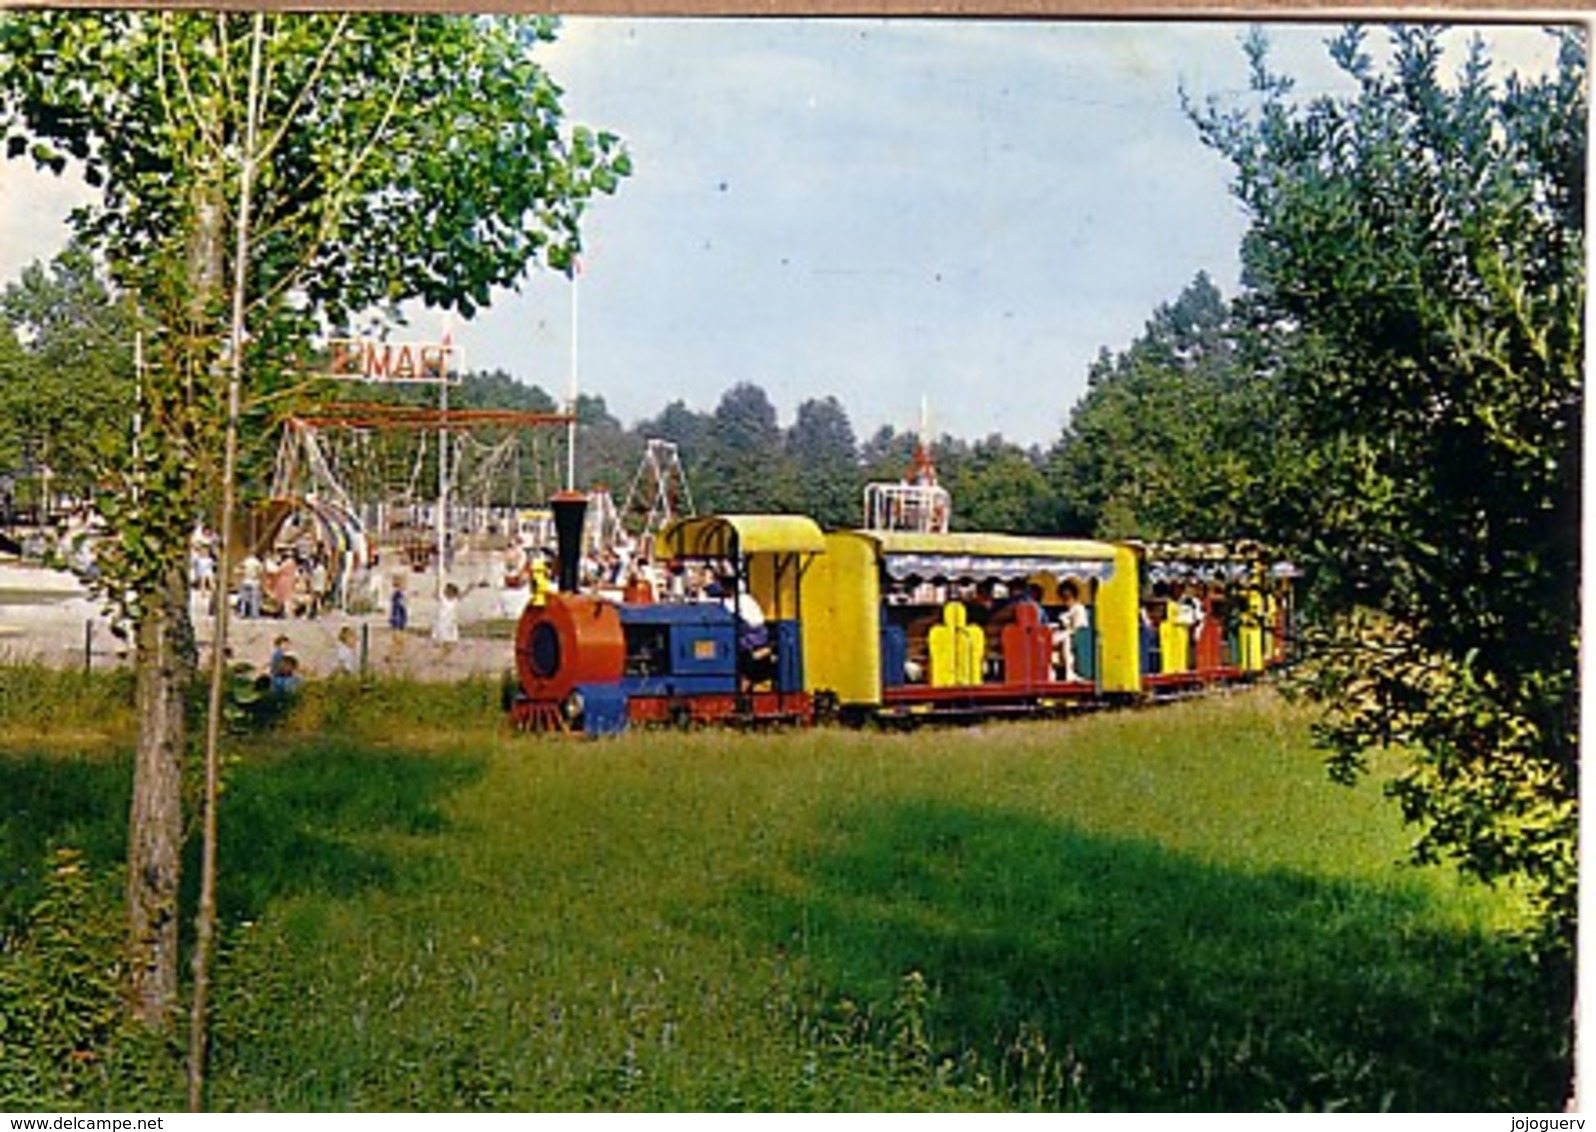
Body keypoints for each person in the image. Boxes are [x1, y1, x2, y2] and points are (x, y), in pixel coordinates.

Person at [1055, 582, 1090, 683]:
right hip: (1063, 636)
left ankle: (1070, 673)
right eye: (1063, 598)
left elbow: (1079, 628)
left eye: (1068, 597)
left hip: (1076, 638)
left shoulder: (1078, 609)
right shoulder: (1065, 611)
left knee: (1065, 640)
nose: (1066, 600)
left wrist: (1066, 627)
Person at [433, 582, 460, 647]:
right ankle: (438, 656)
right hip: (441, 624)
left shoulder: (455, 600)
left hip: (450, 624)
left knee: (450, 645)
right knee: (439, 644)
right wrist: (438, 579)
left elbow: (464, 594)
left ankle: (440, 656)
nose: (445, 591)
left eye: (447, 590)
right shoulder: (442, 599)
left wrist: (471, 587)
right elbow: (436, 593)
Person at [239, 550, 263, 619]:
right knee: (254, 599)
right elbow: (260, 571)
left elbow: (241, 568)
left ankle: (242, 612)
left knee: (244, 598)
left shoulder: (246, 561)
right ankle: (254, 614)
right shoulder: (257, 562)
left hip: (246, 580)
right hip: (254, 581)